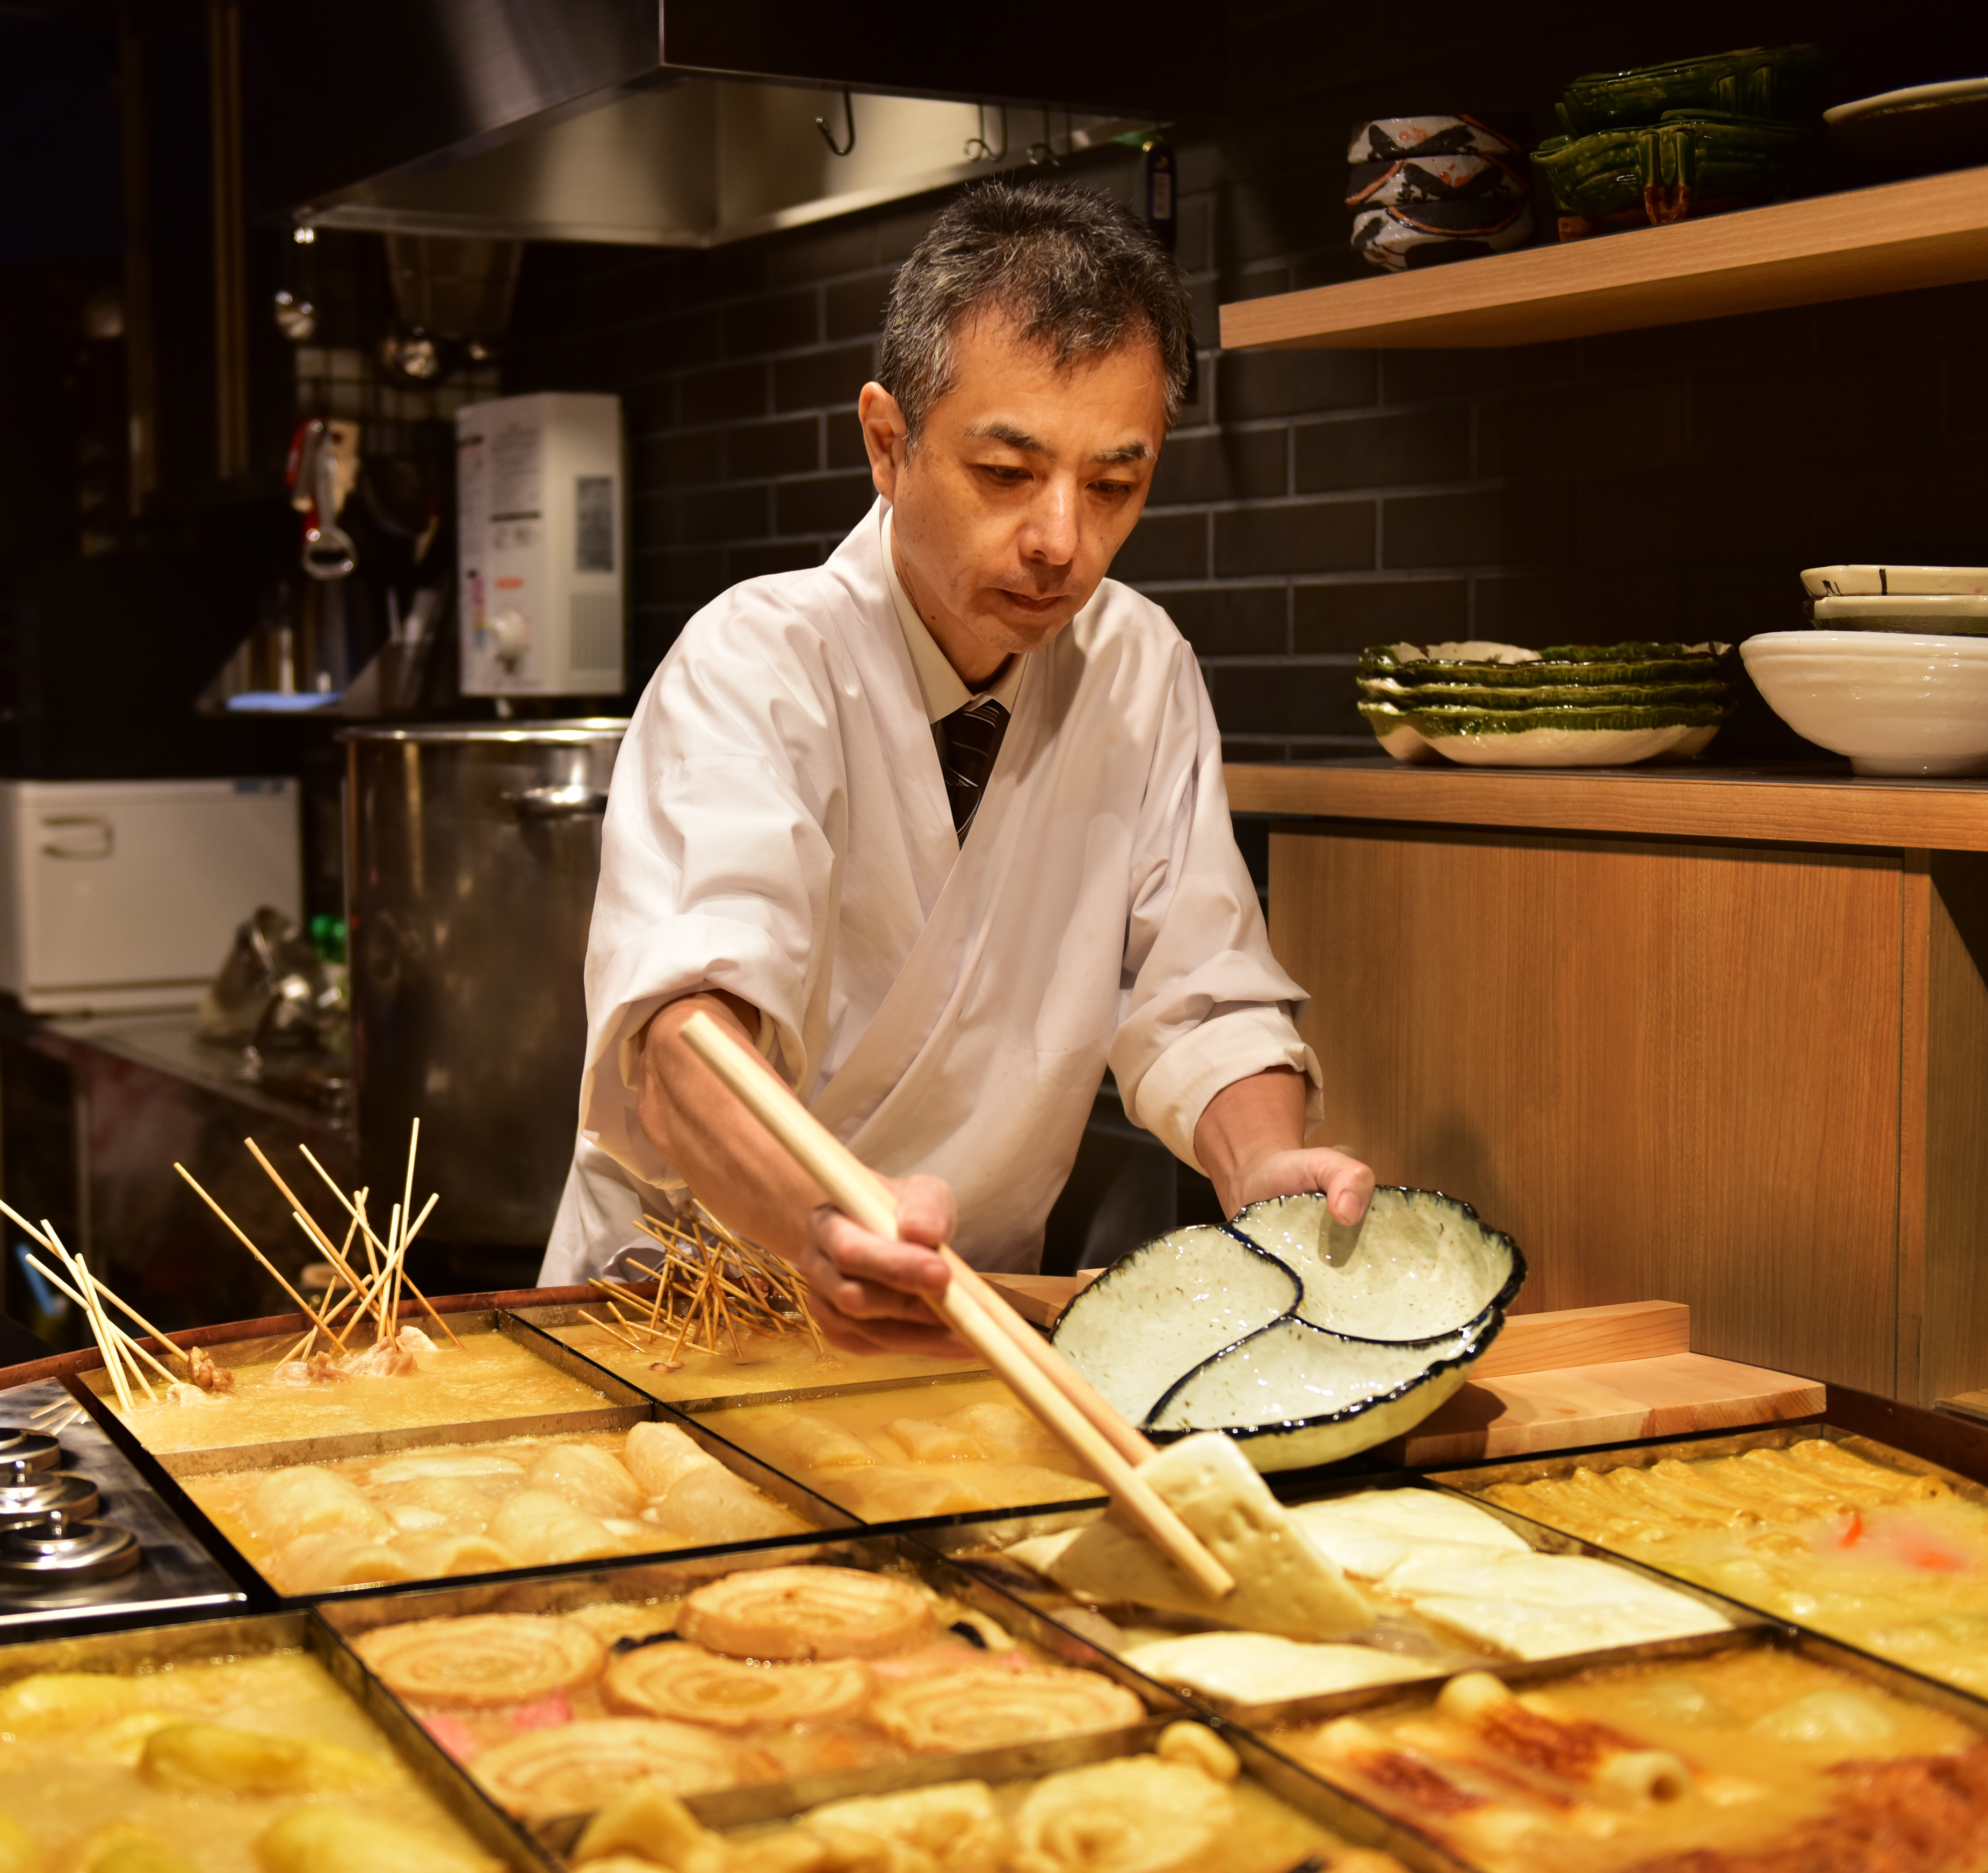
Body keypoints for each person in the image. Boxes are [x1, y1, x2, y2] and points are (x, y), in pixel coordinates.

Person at [539, 178, 1371, 1356]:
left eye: (1115, 484)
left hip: (960, 1329)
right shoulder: (759, 661)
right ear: (888, 440)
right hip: (694, 1314)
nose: (1061, 541)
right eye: (1006, 472)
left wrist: (1264, 1165)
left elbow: (1204, 997)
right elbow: (682, 1041)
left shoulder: (1139, 668)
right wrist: (821, 1222)